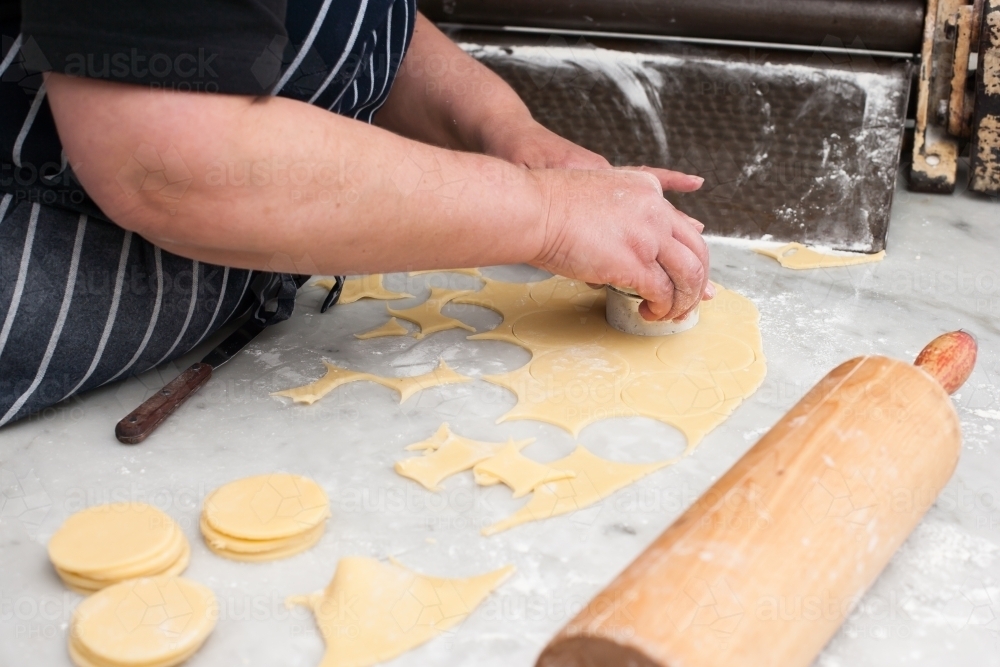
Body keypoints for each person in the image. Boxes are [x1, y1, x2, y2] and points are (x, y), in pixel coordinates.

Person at [0, 0, 712, 427]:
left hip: (186, 365)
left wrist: (502, 131)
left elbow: (339, 21)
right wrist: (546, 213)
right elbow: (166, 162)